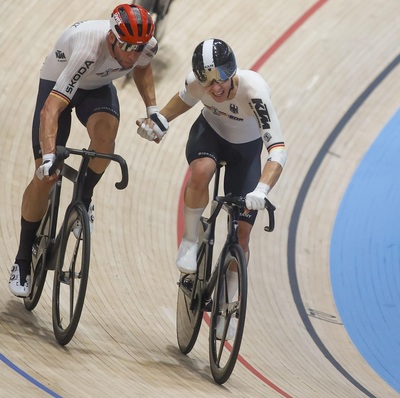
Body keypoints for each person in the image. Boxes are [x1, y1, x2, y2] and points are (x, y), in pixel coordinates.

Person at [9, 3, 168, 297]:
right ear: (111, 39)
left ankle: (84, 197)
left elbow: (142, 69)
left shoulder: (146, 46)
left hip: (97, 86)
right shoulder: (89, 49)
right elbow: (51, 110)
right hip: (59, 82)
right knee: (45, 178)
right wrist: (47, 158)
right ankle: (21, 260)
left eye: (140, 46)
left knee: (106, 138)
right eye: (128, 47)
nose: (134, 53)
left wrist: (153, 109)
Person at [136, 38, 286, 337]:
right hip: (210, 136)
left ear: (232, 72)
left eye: (220, 80)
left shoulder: (254, 91)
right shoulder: (198, 83)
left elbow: (278, 150)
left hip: (246, 152)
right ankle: (191, 240)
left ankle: (229, 300)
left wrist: (262, 190)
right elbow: (182, 100)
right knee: (202, 169)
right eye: (208, 83)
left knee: (242, 232)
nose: (215, 89)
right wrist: (159, 122)